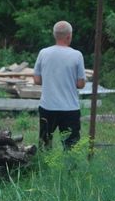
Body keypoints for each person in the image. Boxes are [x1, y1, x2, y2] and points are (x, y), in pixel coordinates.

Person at [33, 20, 86, 150]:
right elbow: (80, 84)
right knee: (71, 146)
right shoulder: (77, 55)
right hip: (69, 108)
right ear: (69, 36)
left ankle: (44, 167)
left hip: (47, 106)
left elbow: (37, 80)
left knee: (45, 143)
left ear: (54, 35)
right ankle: (70, 169)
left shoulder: (43, 53)